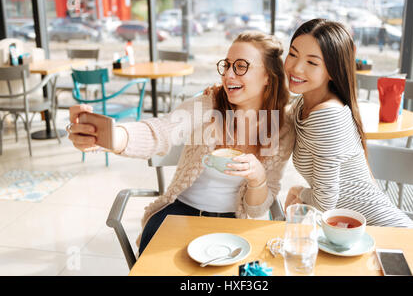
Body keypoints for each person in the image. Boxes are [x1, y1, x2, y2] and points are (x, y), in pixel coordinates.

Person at [67, 31, 295, 255]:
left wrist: (258, 178)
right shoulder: (208, 105)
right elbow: (161, 131)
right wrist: (108, 136)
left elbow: (256, 210)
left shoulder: (281, 129)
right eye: (226, 65)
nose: (228, 75)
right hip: (178, 213)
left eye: (241, 66)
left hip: (232, 222)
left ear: (268, 76)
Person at [283, 19, 411, 227]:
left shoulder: (327, 115)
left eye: (312, 62)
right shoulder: (302, 103)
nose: (296, 68)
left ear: (333, 71)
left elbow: (324, 204)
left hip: (383, 229)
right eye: (293, 54)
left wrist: (298, 191)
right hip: (351, 231)